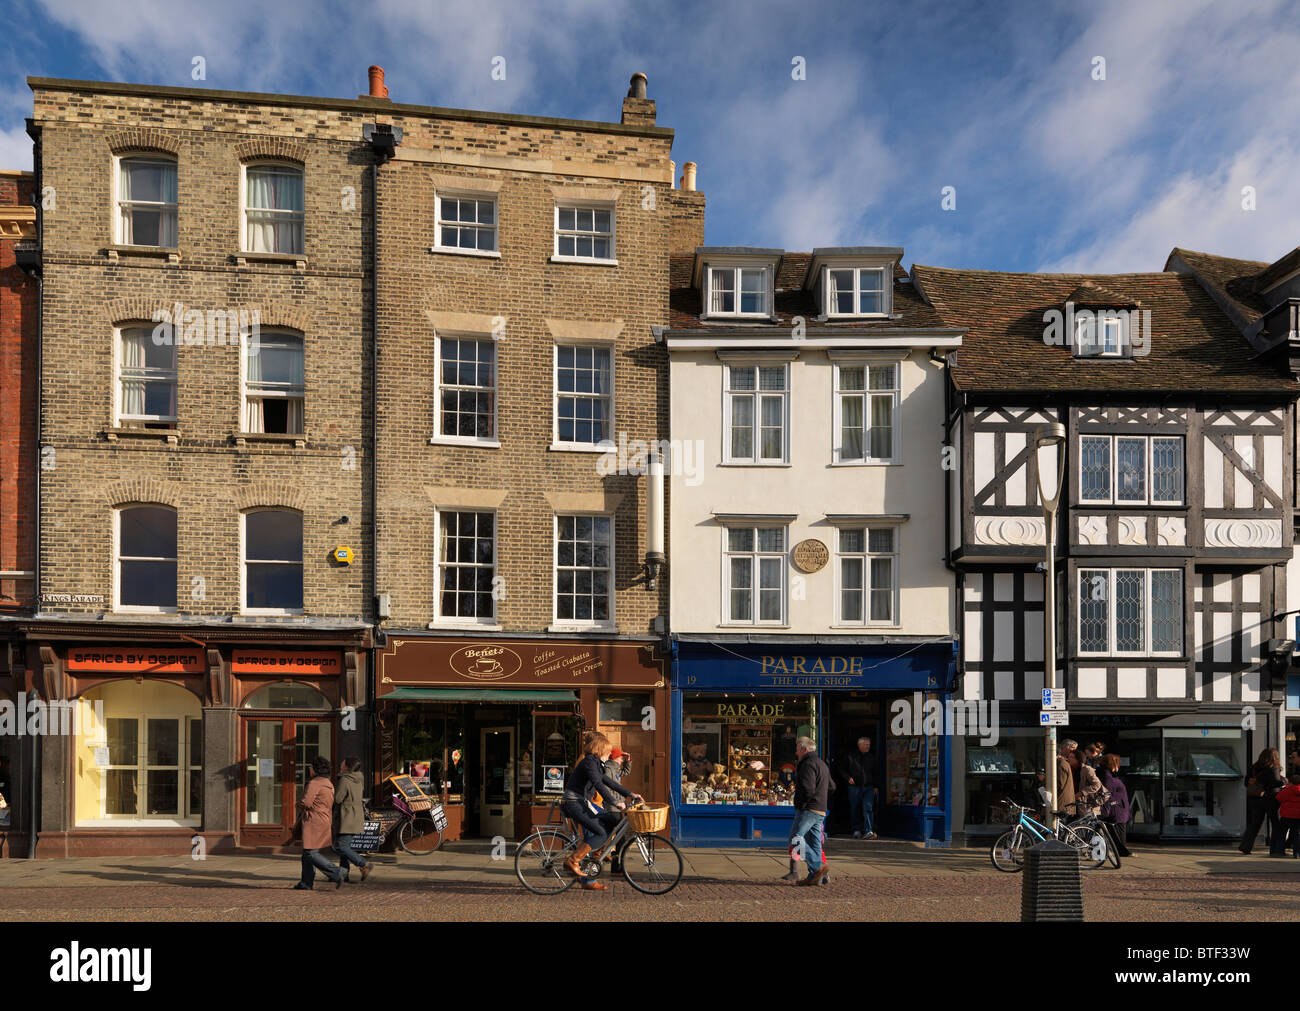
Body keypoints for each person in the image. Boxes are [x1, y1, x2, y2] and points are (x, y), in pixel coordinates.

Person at [561, 732, 642, 891]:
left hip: (583, 802)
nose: (609, 755)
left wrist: (630, 794)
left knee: (614, 822)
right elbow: (599, 784)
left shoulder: (596, 764)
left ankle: (592, 868)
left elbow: (609, 782)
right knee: (599, 833)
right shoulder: (589, 762)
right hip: (574, 803)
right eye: (607, 752)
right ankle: (574, 861)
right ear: (599, 750)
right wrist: (615, 802)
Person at [294, 755, 345, 890]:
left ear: (315, 769)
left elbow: (307, 802)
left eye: (310, 767)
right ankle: (306, 882)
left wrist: (297, 803)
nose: (309, 769)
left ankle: (337, 872)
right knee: (307, 853)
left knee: (310, 853)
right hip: (325, 818)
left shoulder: (314, 783)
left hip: (314, 820)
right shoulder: (328, 783)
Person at [790, 737, 834, 886]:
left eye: (797, 748)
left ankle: (818, 868)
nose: (796, 752)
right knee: (814, 843)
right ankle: (817, 878)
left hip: (809, 808)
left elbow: (808, 789)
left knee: (795, 839)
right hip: (821, 809)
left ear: (804, 749)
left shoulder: (807, 764)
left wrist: (802, 804)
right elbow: (832, 786)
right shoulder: (822, 764)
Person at [1240, 747, 1287, 856]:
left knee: (1254, 824)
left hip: (1256, 799)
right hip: (1271, 799)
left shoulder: (1254, 768)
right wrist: (1285, 781)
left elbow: (1247, 782)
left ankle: (1245, 846)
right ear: (1274, 757)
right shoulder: (1273, 767)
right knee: (1275, 824)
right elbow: (1275, 783)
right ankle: (1275, 849)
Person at [334, 756, 372, 883]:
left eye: (343, 763)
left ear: (347, 767)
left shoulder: (345, 780)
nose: (341, 764)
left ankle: (363, 863)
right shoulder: (359, 778)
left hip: (347, 816)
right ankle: (343, 874)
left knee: (341, 846)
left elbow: (338, 799)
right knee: (345, 846)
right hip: (356, 815)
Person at [842, 736, 877, 840]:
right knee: (855, 808)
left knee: (868, 808)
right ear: (859, 745)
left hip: (868, 787)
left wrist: (876, 786)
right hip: (854, 787)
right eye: (866, 745)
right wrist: (848, 778)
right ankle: (856, 830)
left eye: (869, 745)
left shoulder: (871, 757)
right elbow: (841, 768)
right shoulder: (850, 756)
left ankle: (868, 831)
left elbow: (876, 772)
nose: (868, 747)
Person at [1097, 754, 1133, 857]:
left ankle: (1121, 850)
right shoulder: (1108, 777)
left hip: (1118, 807)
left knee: (1116, 830)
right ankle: (1121, 851)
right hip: (1117, 808)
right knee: (1118, 829)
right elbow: (1108, 793)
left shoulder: (1108, 775)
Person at [1065, 746, 1106, 818]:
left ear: (1078, 759)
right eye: (1069, 757)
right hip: (1072, 802)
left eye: (1071, 757)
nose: (1069, 759)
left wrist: (1082, 793)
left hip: (1085, 804)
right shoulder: (1068, 769)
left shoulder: (1086, 769)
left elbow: (1097, 785)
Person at [1274, 773, 1300, 857]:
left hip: (1286, 815)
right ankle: (1297, 852)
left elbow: (1278, 798)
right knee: (1297, 834)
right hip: (1298, 816)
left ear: (1291, 782)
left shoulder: (1287, 790)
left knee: (1282, 833)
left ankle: (1280, 851)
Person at [1054, 740, 1077, 817]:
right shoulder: (1063, 762)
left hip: (1063, 803)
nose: (1073, 751)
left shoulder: (1062, 763)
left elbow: (1060, 783)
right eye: (1072, 748)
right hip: (1066, 803)